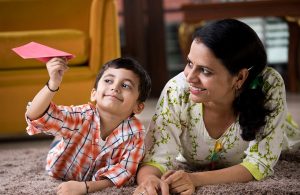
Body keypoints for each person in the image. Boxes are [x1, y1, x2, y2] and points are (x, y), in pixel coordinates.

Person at [134, 19, 300, 195]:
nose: (190, 77)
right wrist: (148, 180)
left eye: (205, 70)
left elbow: (260, 163)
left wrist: (195, 178)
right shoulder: (177, 90)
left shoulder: (268, 85)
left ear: (240, 77)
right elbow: (155, 156)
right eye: (190, 63)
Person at [25, 57, 151, 194]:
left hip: (83, 151)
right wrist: (53, 83)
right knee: (61, 132)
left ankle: (60, 136)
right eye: (108, 81)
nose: (115, 87)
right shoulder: (82, 115)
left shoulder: (136, 133)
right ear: (94, 94)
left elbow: (125, 174)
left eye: (125, 85)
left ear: (138, 107)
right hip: (62, 159)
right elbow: (35, 116)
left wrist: (85, 187)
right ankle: (58, 139)